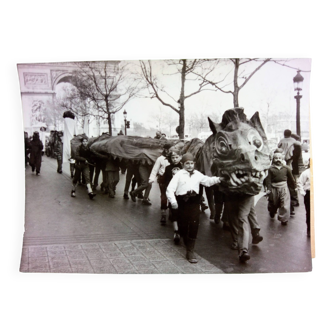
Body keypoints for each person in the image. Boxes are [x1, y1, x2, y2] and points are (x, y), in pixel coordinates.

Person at [166, 153, 223, 263]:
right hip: (181, 203)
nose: (190, 166)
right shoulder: (178, 175)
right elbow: (170, 189)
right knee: (183, 226)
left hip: (194, 203)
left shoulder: (197, 174)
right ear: (182, 164)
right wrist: (173, 202)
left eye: (192, 163)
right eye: (187, 163)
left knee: (194, 224)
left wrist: (219, 179)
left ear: (194, 164)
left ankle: (190, 251)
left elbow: (207, 181)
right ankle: (185, 239)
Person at [265, 152, 296, 226]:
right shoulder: (270, 169)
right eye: (276, 158)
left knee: (285, 203)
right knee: (273, 203)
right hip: (274, 188)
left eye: (280, 158)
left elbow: (291, 178)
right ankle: (272, 211)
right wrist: (268, 189)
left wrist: (294, 187)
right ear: (273, 159)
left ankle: (284, 219)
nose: (278, 160)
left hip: (284, 187)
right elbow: (268, 180)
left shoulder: (286, 168)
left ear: (282, 159)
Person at [148, 143, 172, 224]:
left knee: (172, 196)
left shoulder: (174, 158)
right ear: (164, 149)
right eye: (167, 149)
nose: (168, 151)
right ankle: (163, 214)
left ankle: (172, 213)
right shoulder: (160, 159)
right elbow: (155, 169)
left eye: (170, 149)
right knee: (164, 196)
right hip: (163, 179)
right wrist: (152, 178)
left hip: (173, 179)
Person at [164, 149, 183, 243]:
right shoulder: (168, 168)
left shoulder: (184, 167)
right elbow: (165, 181)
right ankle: (176, 231)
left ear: (180, 157)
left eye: (177, 157)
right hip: (173, 193)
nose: (175, 159)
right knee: (174, 211)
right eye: (173, 157)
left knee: (182, 212)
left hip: (182, 193)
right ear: (170, 158)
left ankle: (181, 228)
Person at [298, 158, 311, 237]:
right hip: (309, 194)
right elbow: (300, 183)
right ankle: (309, 229)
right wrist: (303, 192)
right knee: (309, 212)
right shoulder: (306, 173)